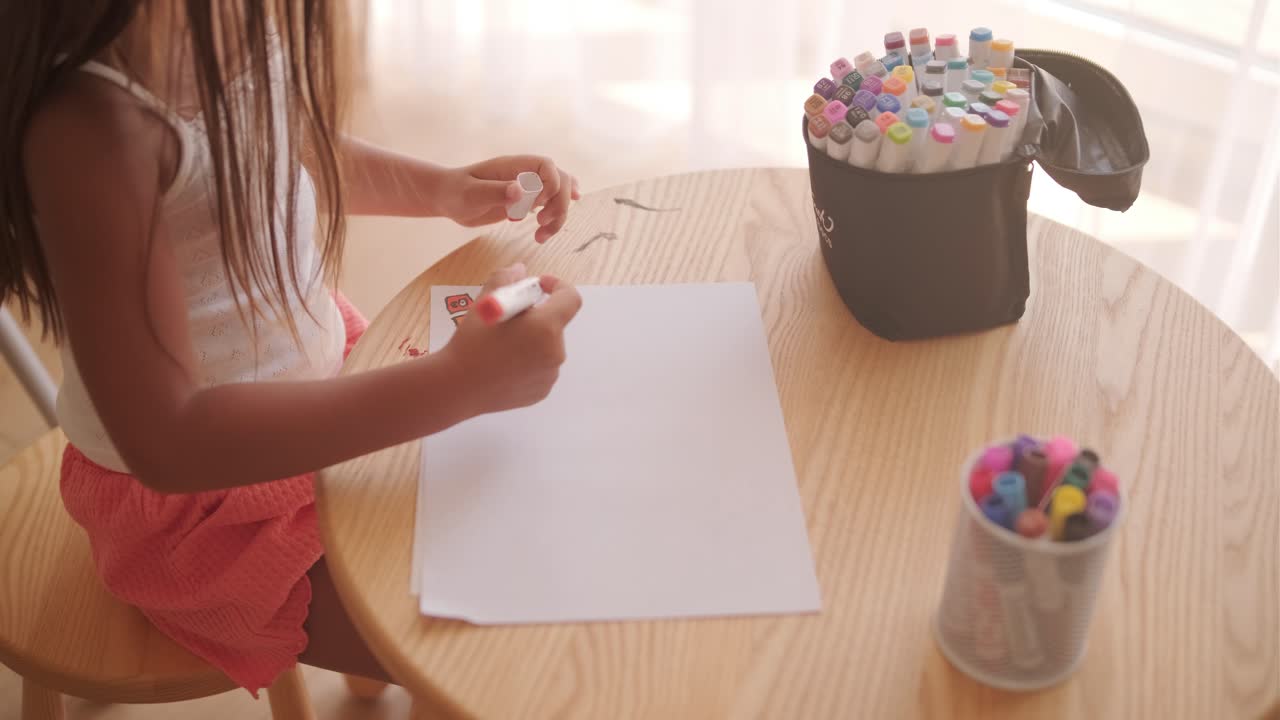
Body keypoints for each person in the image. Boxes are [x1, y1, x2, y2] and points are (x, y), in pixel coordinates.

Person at [1, 0, 583, 695]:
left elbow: (282, 143)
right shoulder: (91, 134)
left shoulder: (226, 21)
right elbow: (168, 443)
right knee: (483, 651)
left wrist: (444, 189)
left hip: (322, 377)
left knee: (530, 517)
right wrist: (458, 382)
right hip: (204, 514)